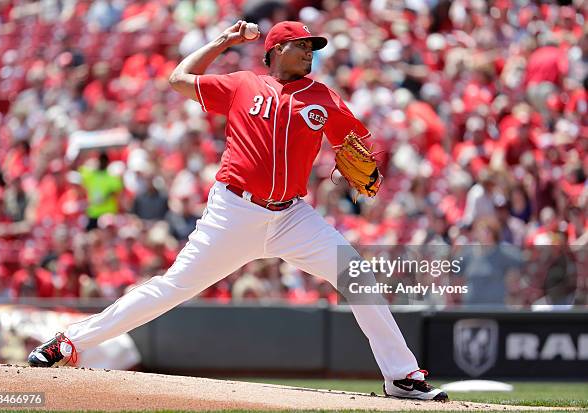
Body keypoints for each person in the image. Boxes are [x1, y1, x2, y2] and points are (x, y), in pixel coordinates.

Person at [27, 20, 447, 402]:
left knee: (355, 274)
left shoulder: (324, 97)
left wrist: (363, 164)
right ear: (276, 50)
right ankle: (69, 342)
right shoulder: (242, 84)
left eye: (311, 46)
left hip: (291, 217)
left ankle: (402, 376)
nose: (308, 52)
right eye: (300, 45)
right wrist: (224, 41)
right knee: (172, 287)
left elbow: (355, 146)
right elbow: (177, 79)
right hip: (234, 212)